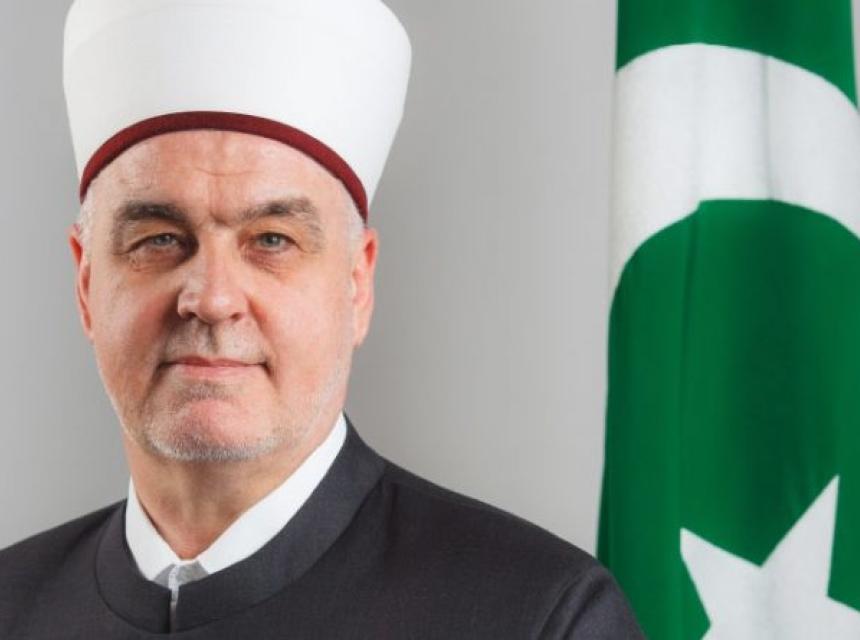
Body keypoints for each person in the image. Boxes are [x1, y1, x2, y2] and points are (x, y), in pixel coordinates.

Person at [0, 0, 643, 637]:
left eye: (271, 240)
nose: (212, 299)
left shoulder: (539, 618)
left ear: (357, 286)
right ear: (86, 283)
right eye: (161, 240)